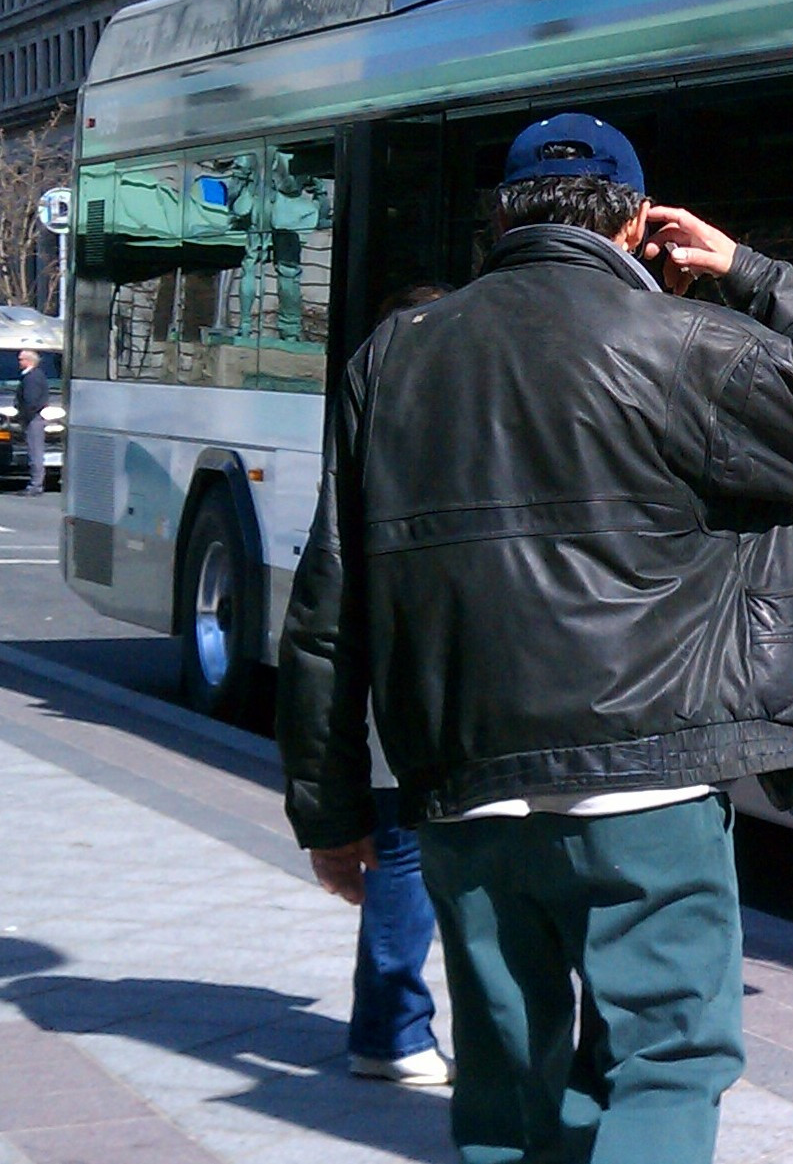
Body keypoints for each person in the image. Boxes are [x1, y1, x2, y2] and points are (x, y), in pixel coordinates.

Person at [275, 112, 793, 1164]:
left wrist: (330, 811)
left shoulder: (395, 357)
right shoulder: (696, 345)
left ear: (501, 217)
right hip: (648, 785)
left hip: (465, 784)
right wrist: (755, 274)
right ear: (636, 227)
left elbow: (329, 600)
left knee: (508, 1087)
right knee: (664, 1063)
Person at [347, 285, 453, 1089]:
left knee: (403, 851)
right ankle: (392, 1029)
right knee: (407, 854)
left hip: (401, 676)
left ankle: (390, 1025)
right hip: (421, 679)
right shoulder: (442, 425)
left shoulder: (376, 416)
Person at [15, 349, 48, 494]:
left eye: (21, 359)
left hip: (33, 419)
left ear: (29, 361)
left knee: (35, 451)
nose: (19, 362)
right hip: (34, 417)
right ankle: (36, 483)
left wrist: (24, 415)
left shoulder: (32, 377)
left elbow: (31, 400)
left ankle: (36, 485)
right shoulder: (35, 375)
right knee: (35, 451)